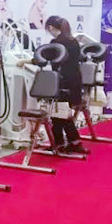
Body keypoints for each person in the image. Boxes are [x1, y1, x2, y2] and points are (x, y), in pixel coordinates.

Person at [42, 16, 88, 155]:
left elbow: (42, 57)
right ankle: (64, 142)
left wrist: (25, 61)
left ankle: (69, 143)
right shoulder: (73, 41)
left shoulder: (56, 43)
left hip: (63, 82)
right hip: (75, 81)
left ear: (51, 27)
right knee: (60, 113)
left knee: (60, 112)